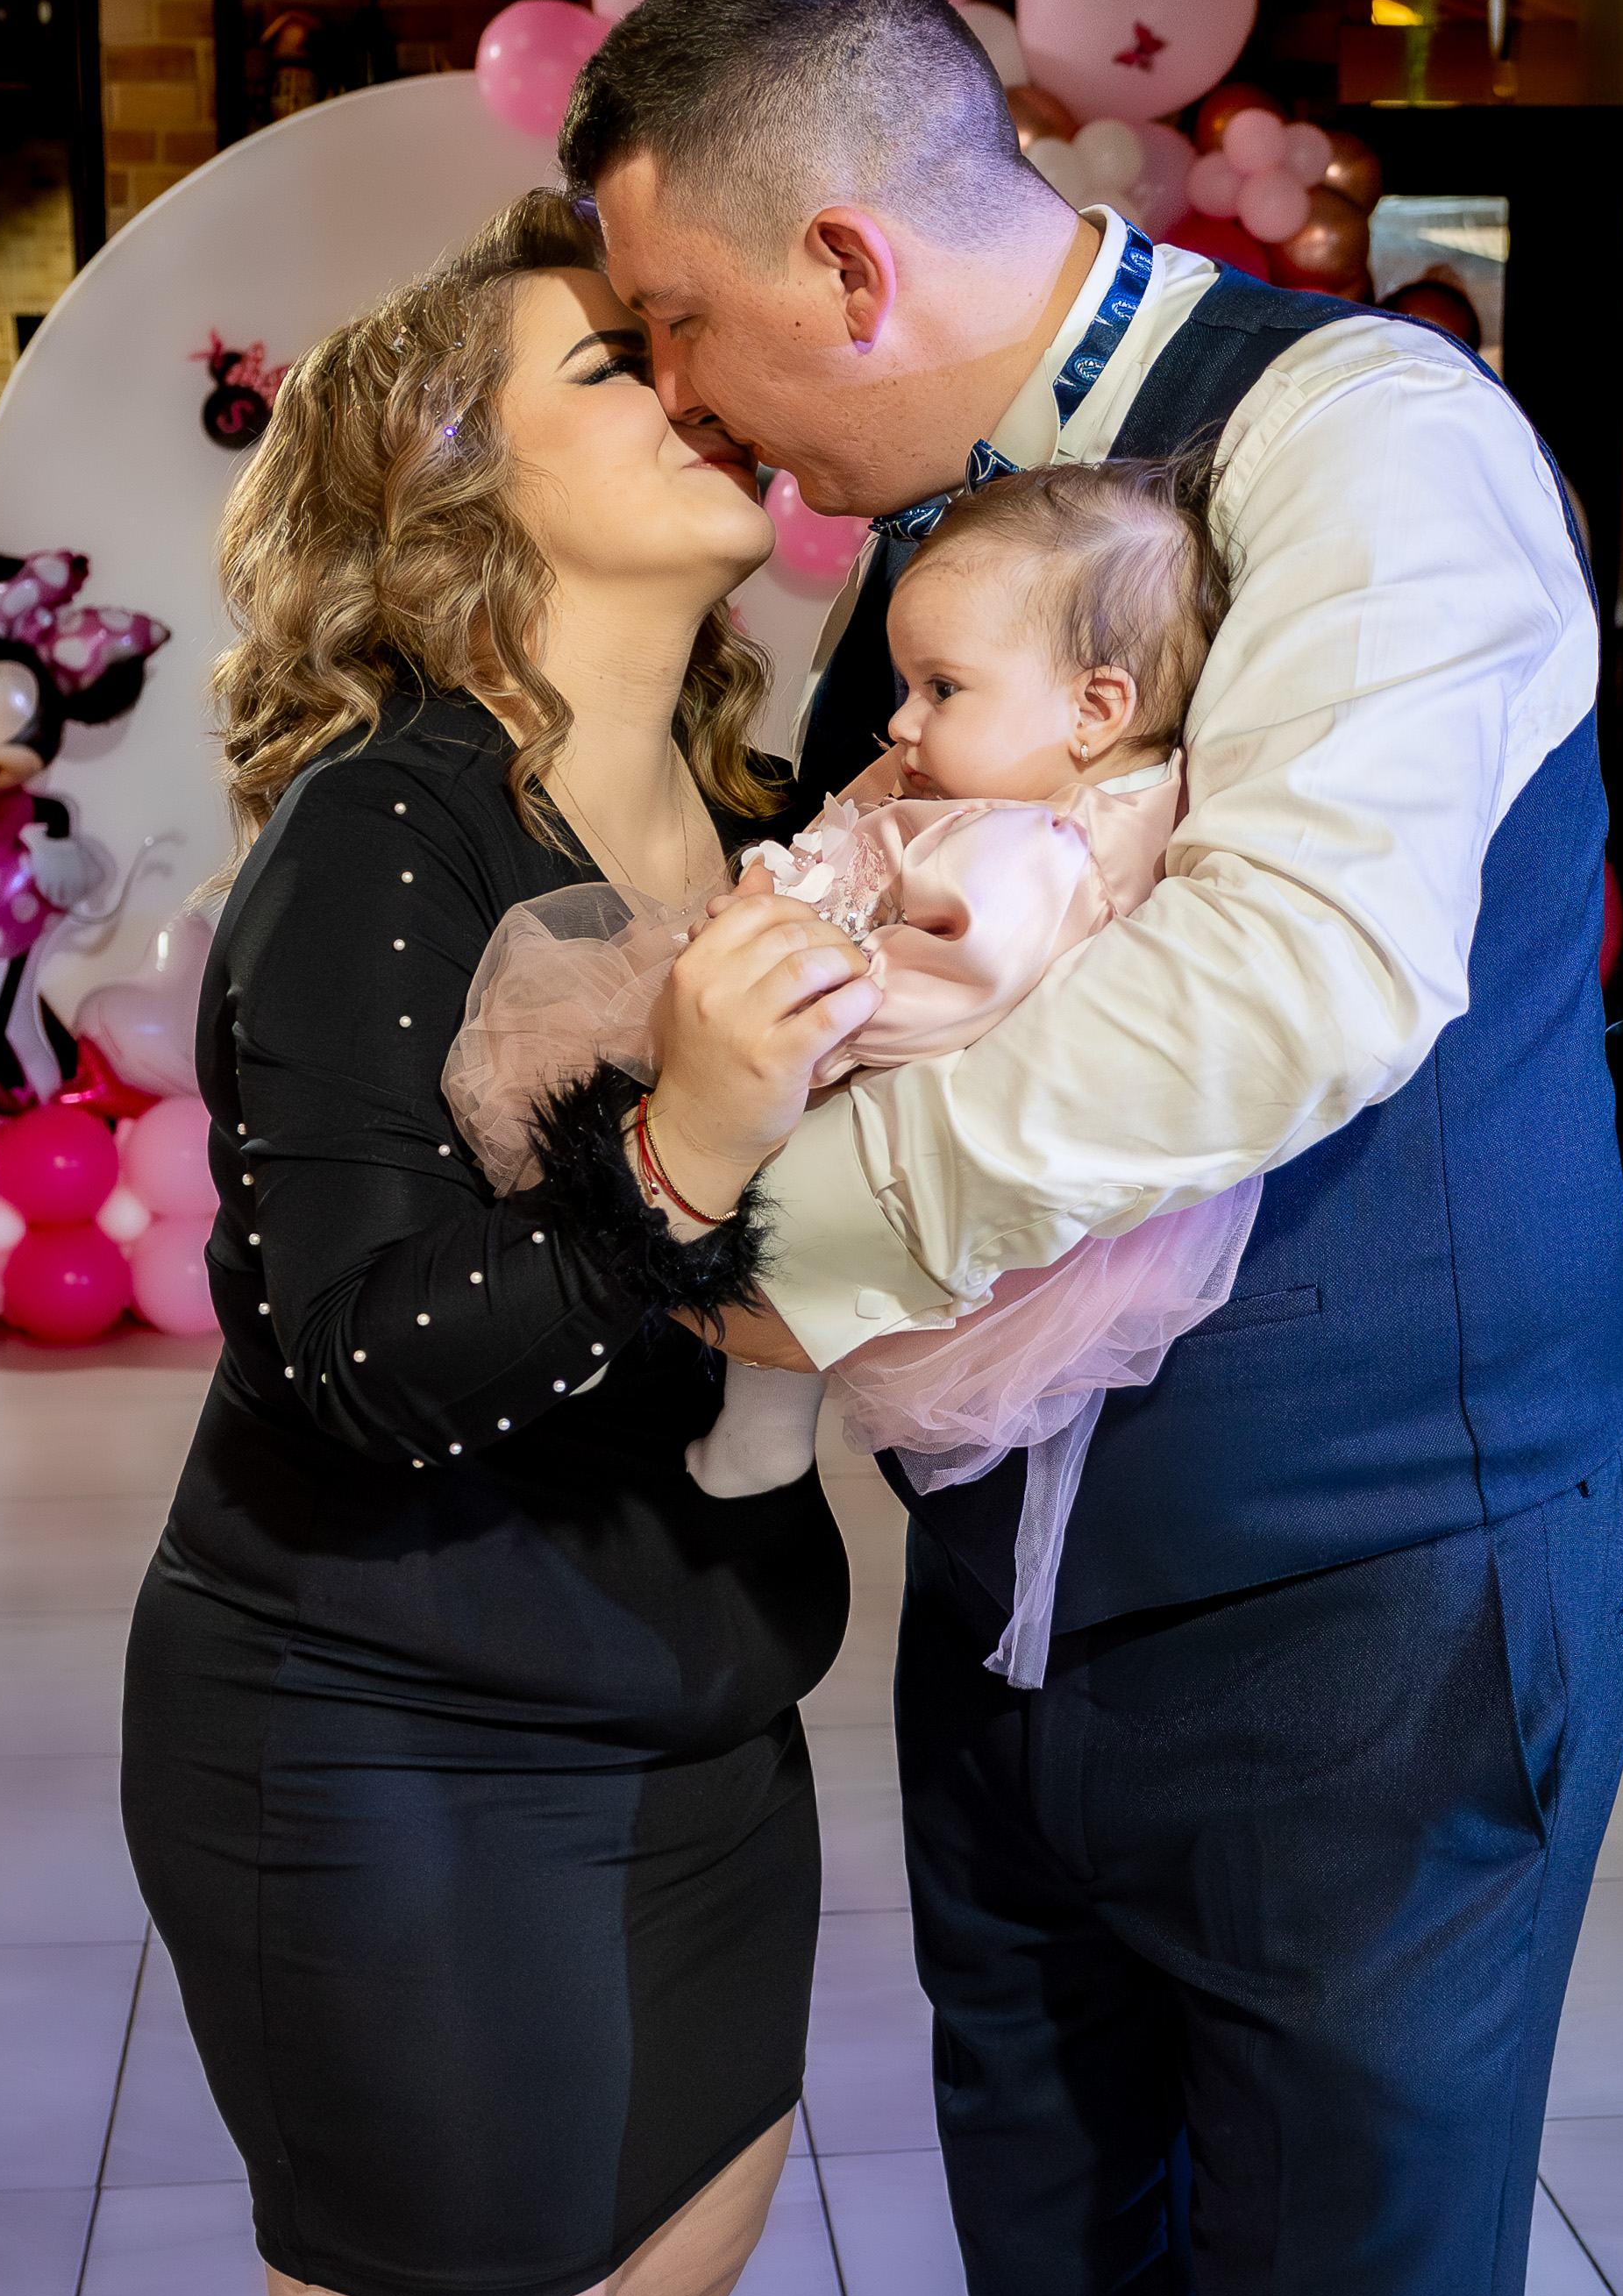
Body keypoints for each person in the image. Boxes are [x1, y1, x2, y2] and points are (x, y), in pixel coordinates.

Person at [558, 0, 1623, 2296]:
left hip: (1370, 1605)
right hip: (1025, 1606)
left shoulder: (1371, 449)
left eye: (691, 335)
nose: (690, 410)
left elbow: (1287, 978)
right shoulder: (920, 566)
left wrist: (770, 1246)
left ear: (848, 255)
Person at [117, 191, 877, 2296]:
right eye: (616, 350)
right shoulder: (389, 830)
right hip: (384, 1714)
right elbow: (365, 1356)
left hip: (693, 1691)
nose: (701, 379)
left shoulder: (762, 810)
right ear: (451, 467)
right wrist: (687, 1147)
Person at [443, 452, 1261, 1683]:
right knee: (731, 1197)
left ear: (1095, 708)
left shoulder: (1027, 849)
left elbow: (958, 983)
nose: (902, 720)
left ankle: (723, 1400)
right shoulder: (1008, 786)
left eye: (942, 687)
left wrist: (823, 986)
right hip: (885, 1054)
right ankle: (723, 1396)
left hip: (888, 1067)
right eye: (907, 684)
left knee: (744, 1198)